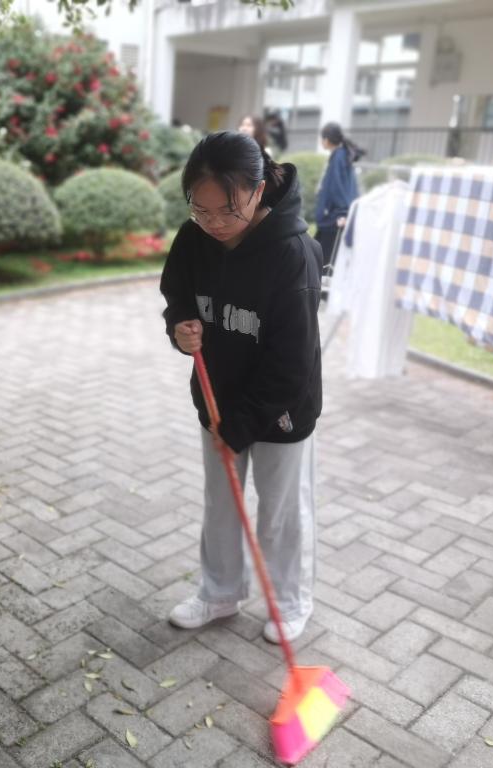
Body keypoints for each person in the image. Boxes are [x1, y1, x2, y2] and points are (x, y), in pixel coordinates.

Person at [160, 131, 322, 644]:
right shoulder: (195, 238)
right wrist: (180, 327)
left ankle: (290, 601)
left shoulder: (293, 255)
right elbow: (177, 294)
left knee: (280, 513)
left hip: (280, 411)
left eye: (226, 211)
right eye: (200, 210)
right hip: (218, 397)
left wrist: (243, 425)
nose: (212, 224)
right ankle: (219, 592)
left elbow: (292, 365)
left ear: (257, 191)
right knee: (221, 503)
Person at [315, 122, 362, 275]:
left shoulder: (339, 157)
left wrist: (342, 213)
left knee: (324, 261)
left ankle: (320, 294)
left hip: (334, 218)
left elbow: (337, 187)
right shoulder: (342, 155)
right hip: (334, 216)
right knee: (320, 257)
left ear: (327, 140)